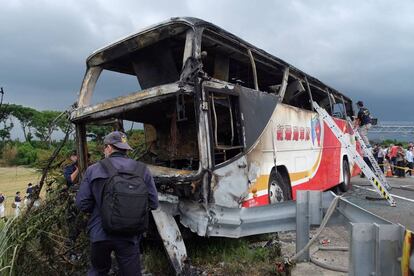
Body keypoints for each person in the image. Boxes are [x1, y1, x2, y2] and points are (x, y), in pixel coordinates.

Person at [76, 131, 159, 276]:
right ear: (125, 149)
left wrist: (101, 207)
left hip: (100, 233)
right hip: (129, 235)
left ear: (108, 148)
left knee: (98, 271)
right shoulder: (142, 169)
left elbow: (82, 204)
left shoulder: (93, 169)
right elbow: (154, 203)